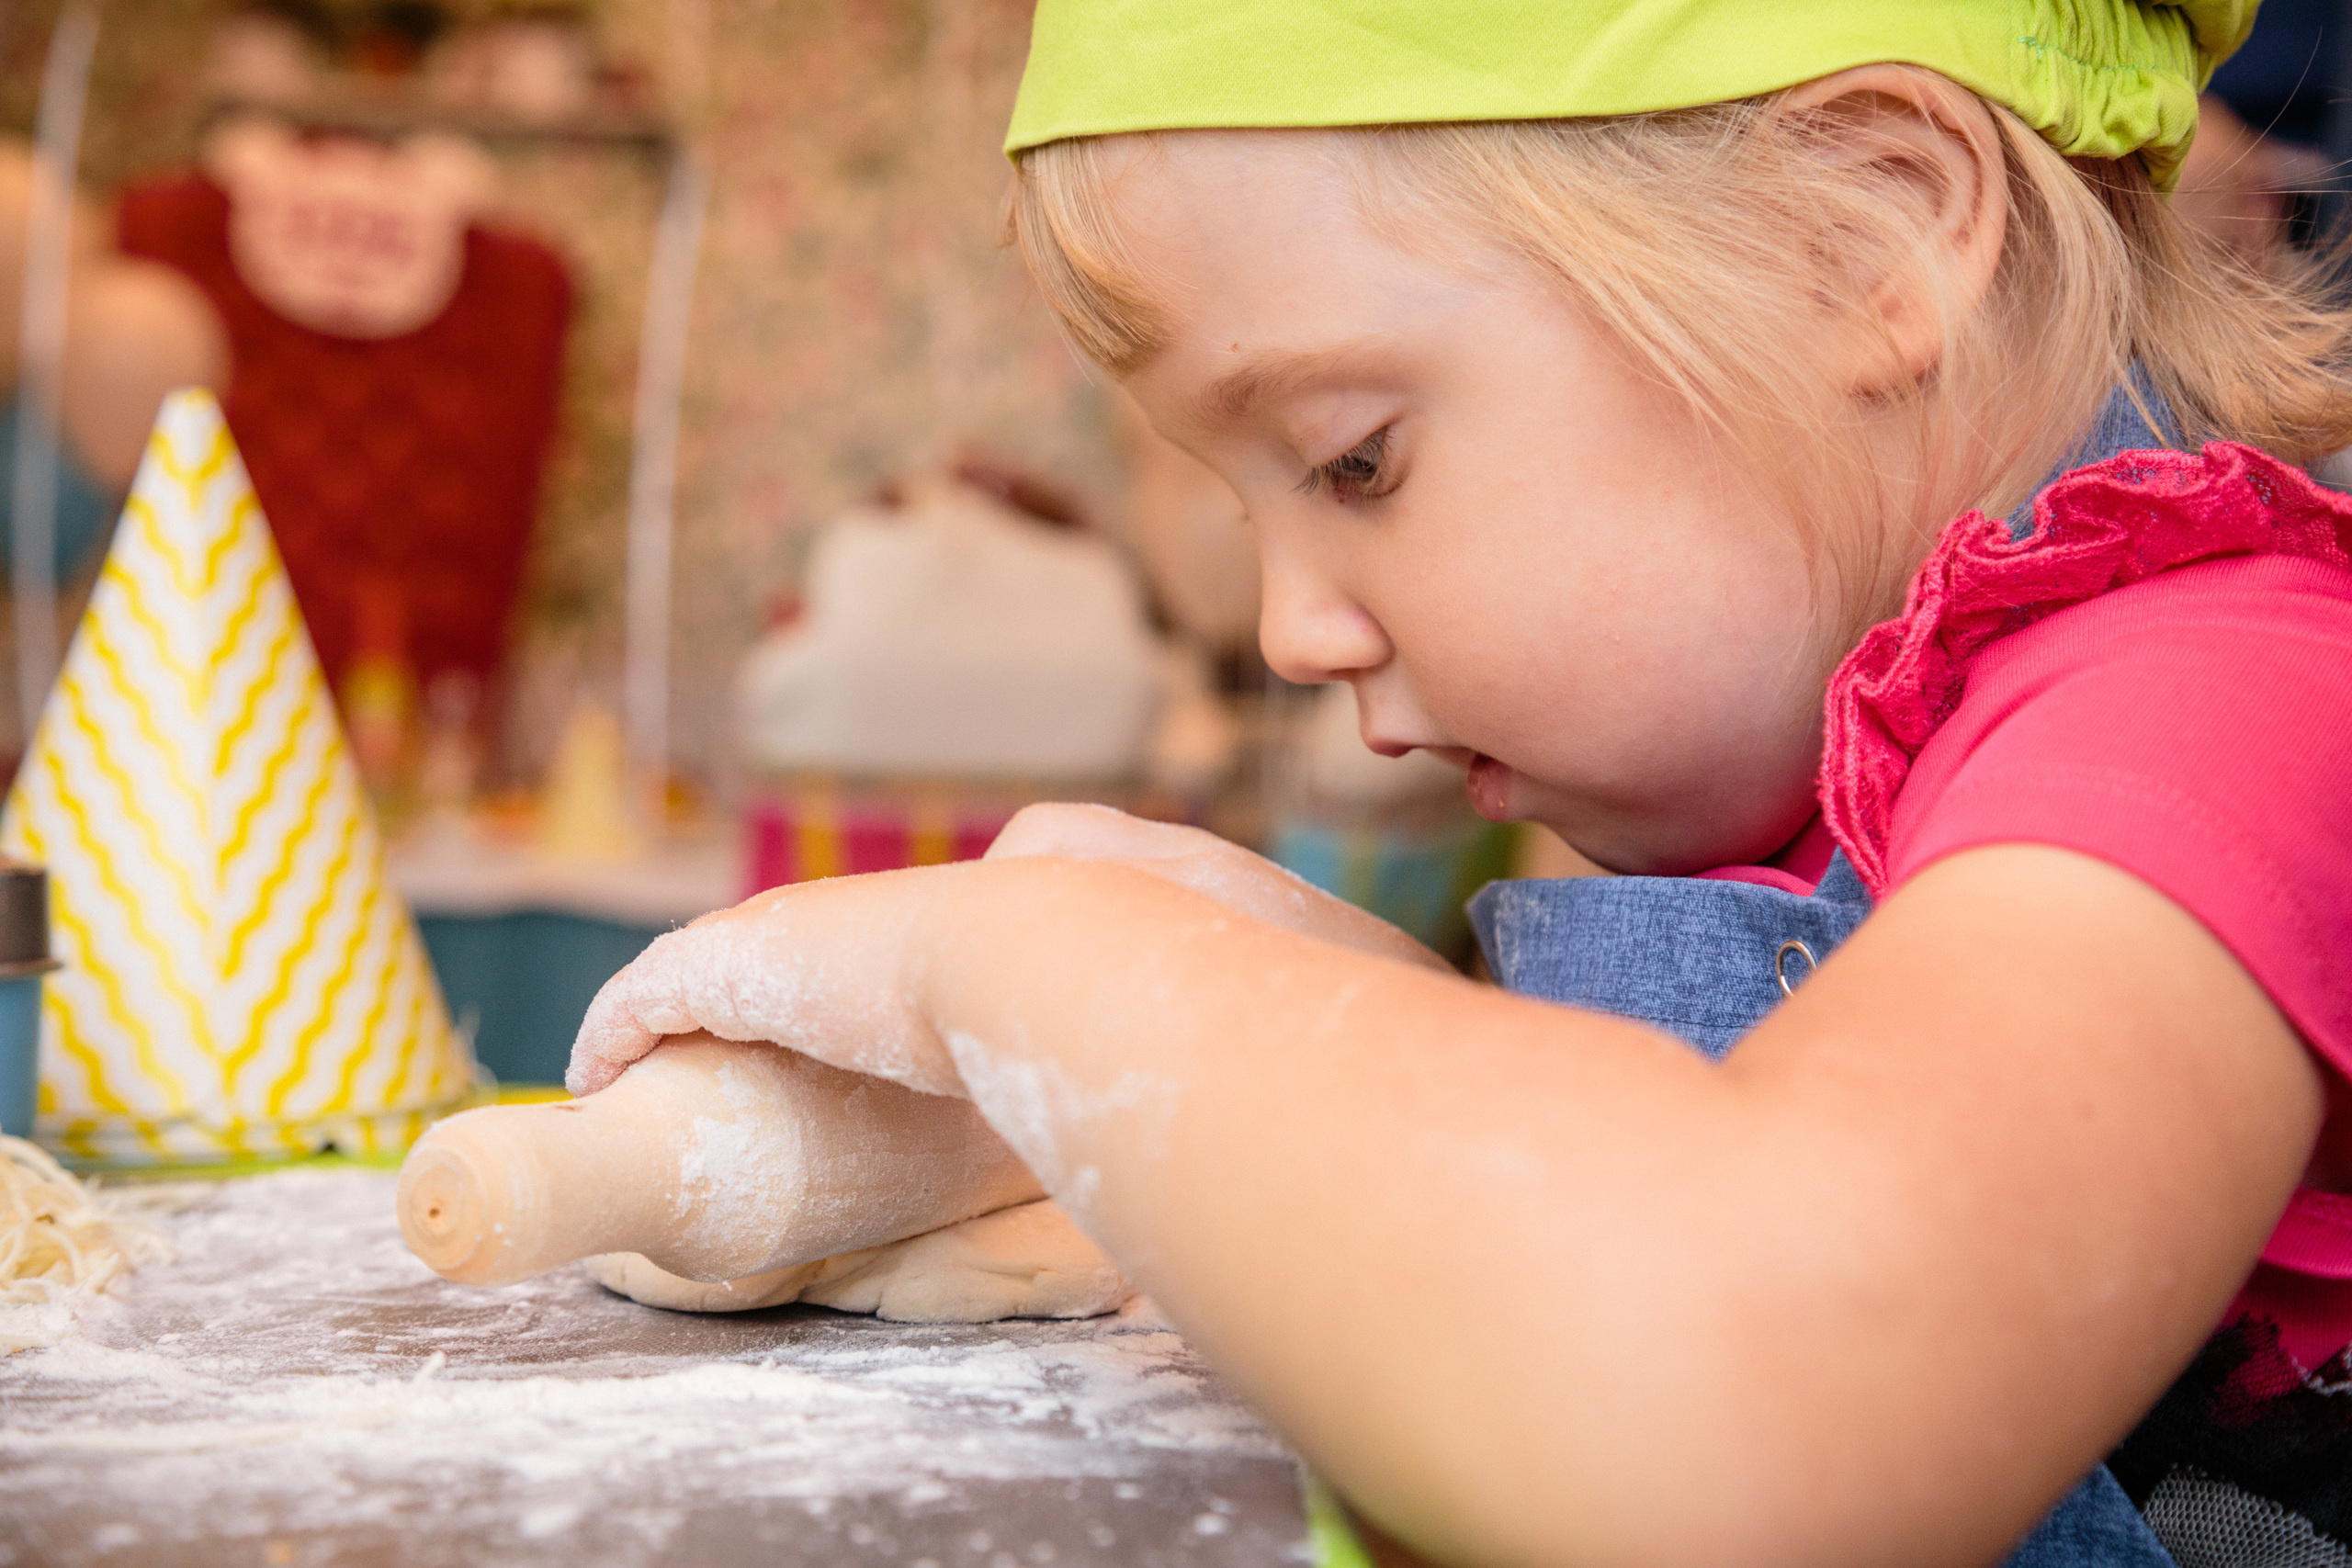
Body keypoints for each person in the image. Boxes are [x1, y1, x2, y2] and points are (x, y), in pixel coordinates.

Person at [570, 6, 2352, 1563]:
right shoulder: (1858, 796)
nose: (1287, 629)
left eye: (1354, 458)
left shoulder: (2211, 700)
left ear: (1860, 237)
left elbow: (1757, 1407)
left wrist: (1026, 967)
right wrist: (1341, 1012)